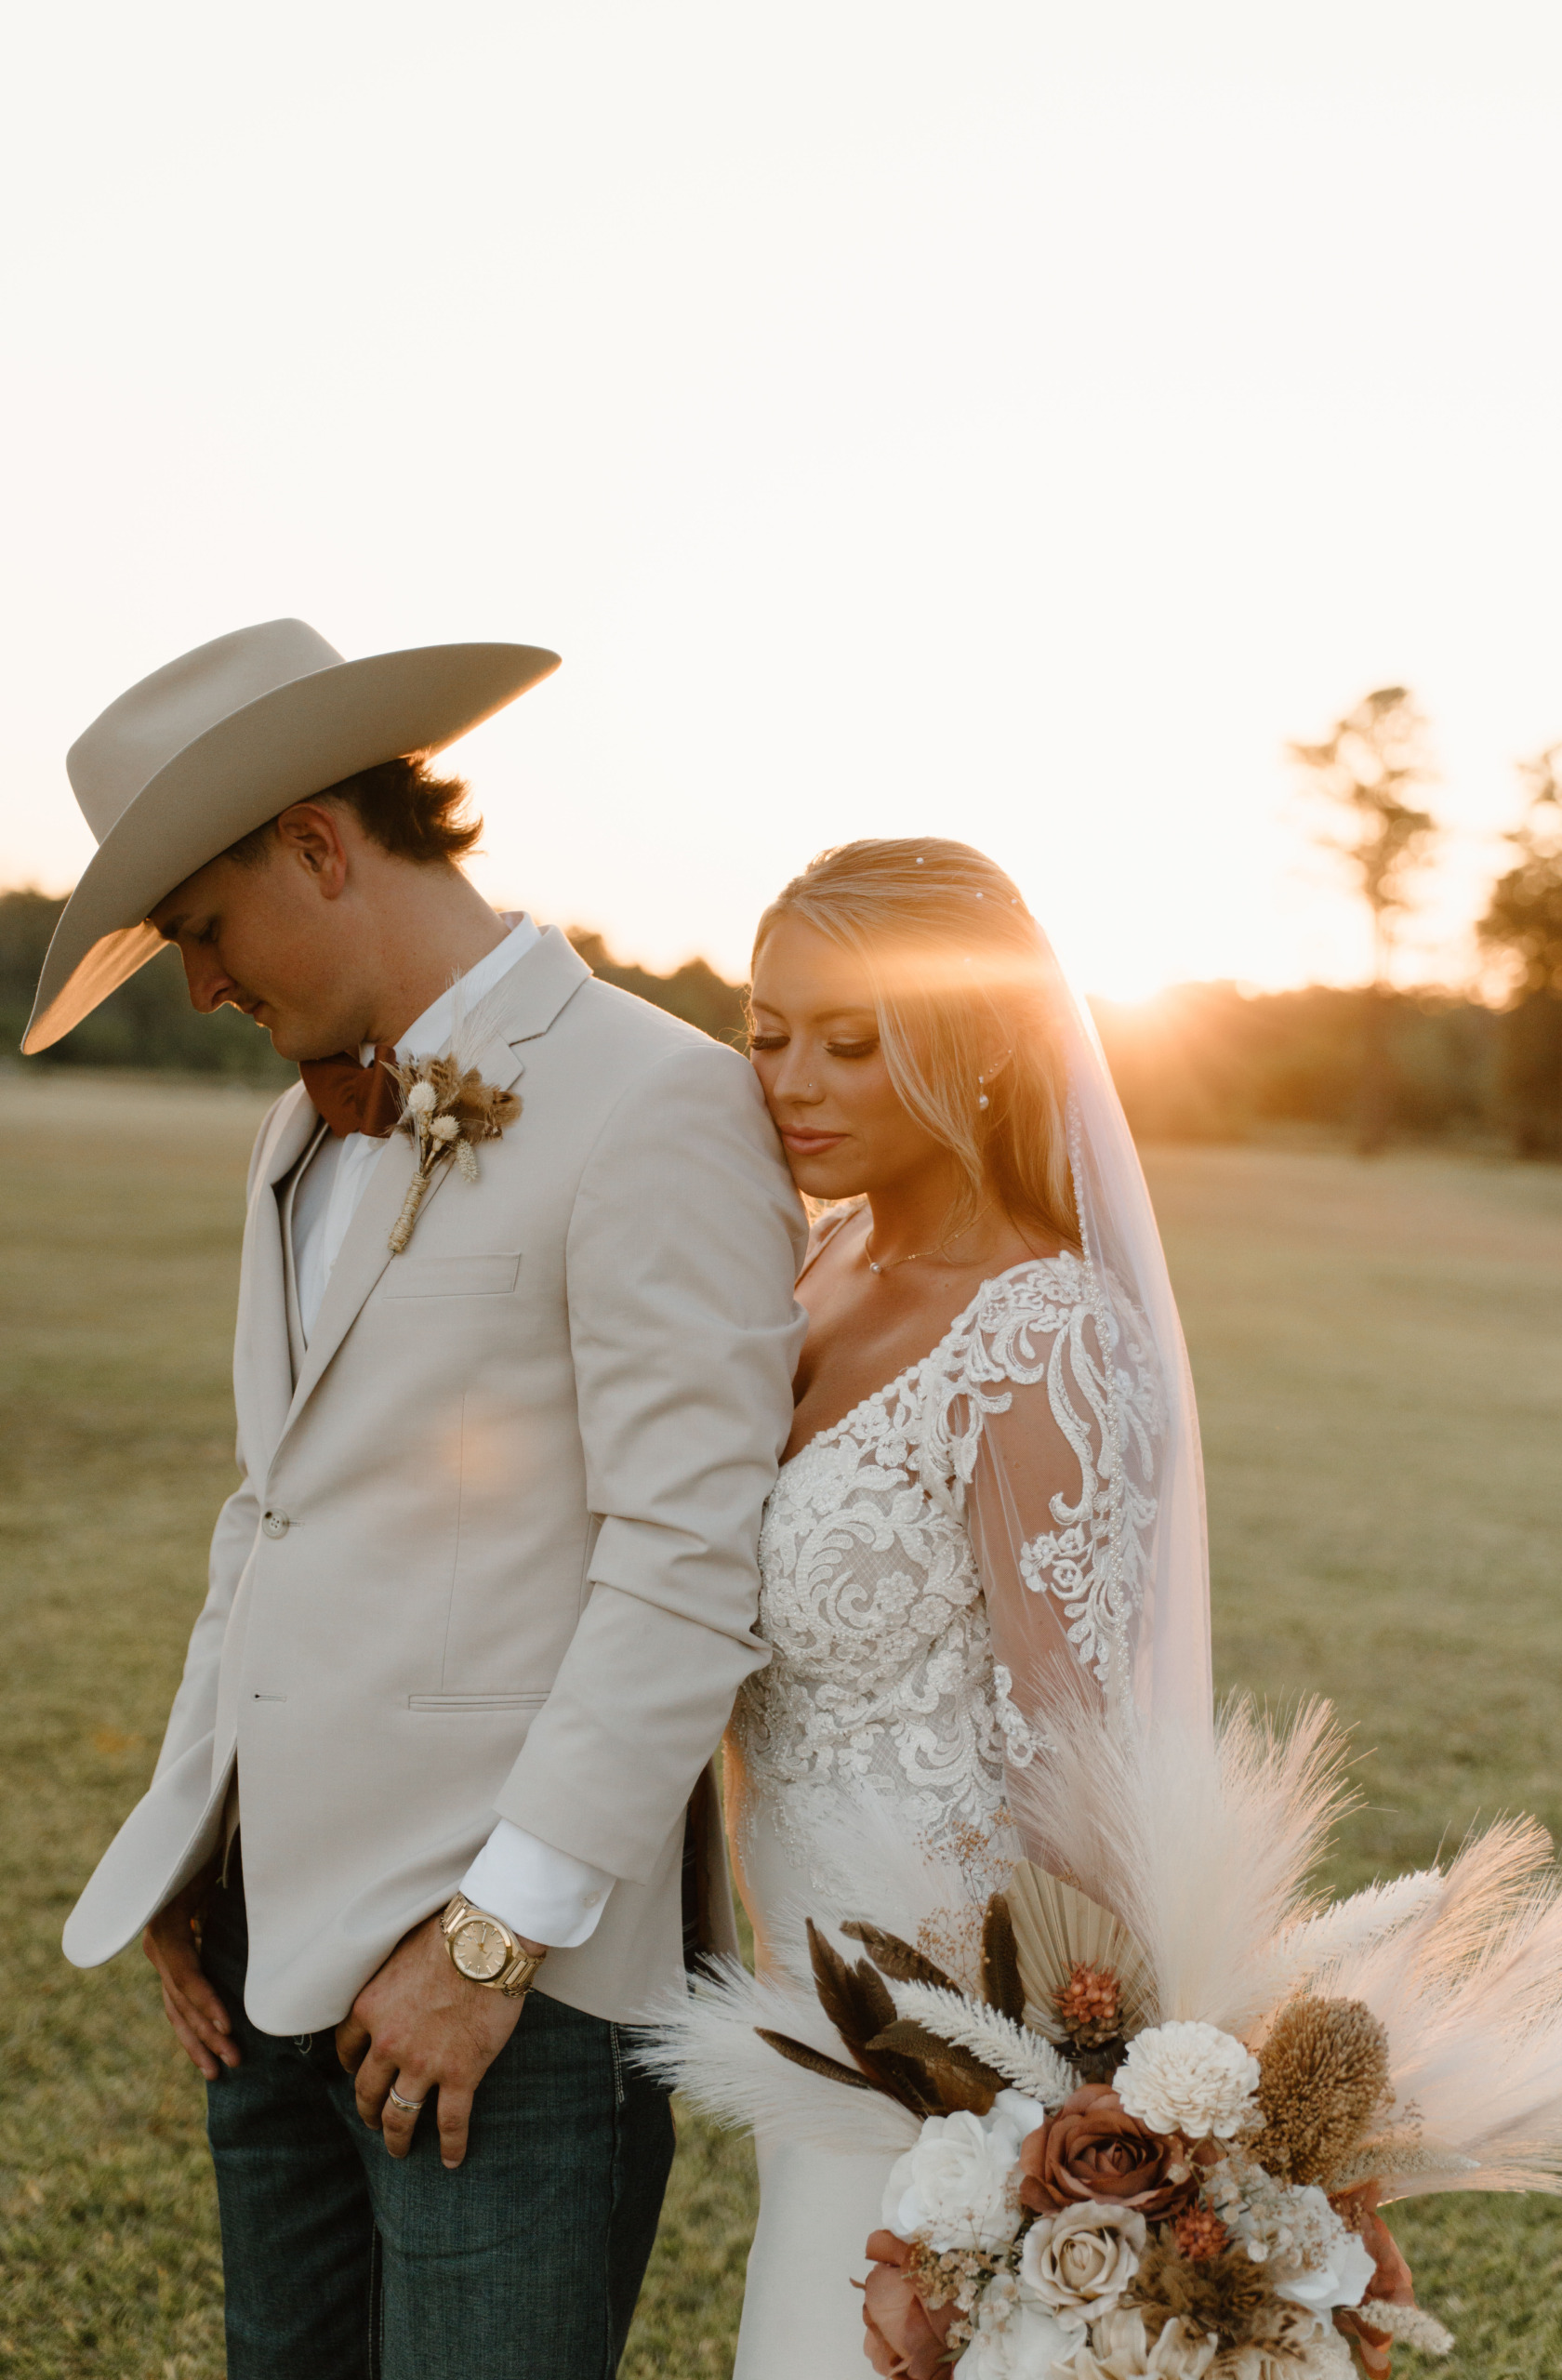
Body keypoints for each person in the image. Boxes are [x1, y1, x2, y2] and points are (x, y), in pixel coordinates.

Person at [26, 617, 806, 2379]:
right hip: (261, 1950)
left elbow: (690, 1565)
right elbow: (276, 1506)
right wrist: (188, 1826)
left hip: (501, 2009)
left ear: (317, 843)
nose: (204, 990)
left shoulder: (661, 1104)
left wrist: (484, 1942)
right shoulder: (295, 1129)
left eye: (204, 931)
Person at [720, 839, 1212, 2379]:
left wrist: (1059, 2117)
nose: (794, 1080)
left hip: (949, 2037)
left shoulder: (1043, 1330)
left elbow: (1076, 1754)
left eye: (852, 1044)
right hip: (800, 1987)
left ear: (981, 1054)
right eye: (768, 1030)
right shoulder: (820, 1263)